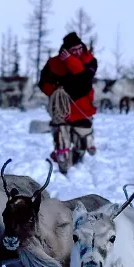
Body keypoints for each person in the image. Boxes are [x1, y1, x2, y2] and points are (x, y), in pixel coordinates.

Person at [37, 32, 98, 170]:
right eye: (73, 50)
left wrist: (70, 60)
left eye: (79, 48)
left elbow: (85, 80)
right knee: (61, 135)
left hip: (83, 107)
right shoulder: (53, 63)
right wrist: (54, 92)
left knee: (82, 138)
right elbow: (43, 82)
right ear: (65, 50)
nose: (77, 52)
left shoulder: (90, 60)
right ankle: (62, 160)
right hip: (61, 108)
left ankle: (78, 156)